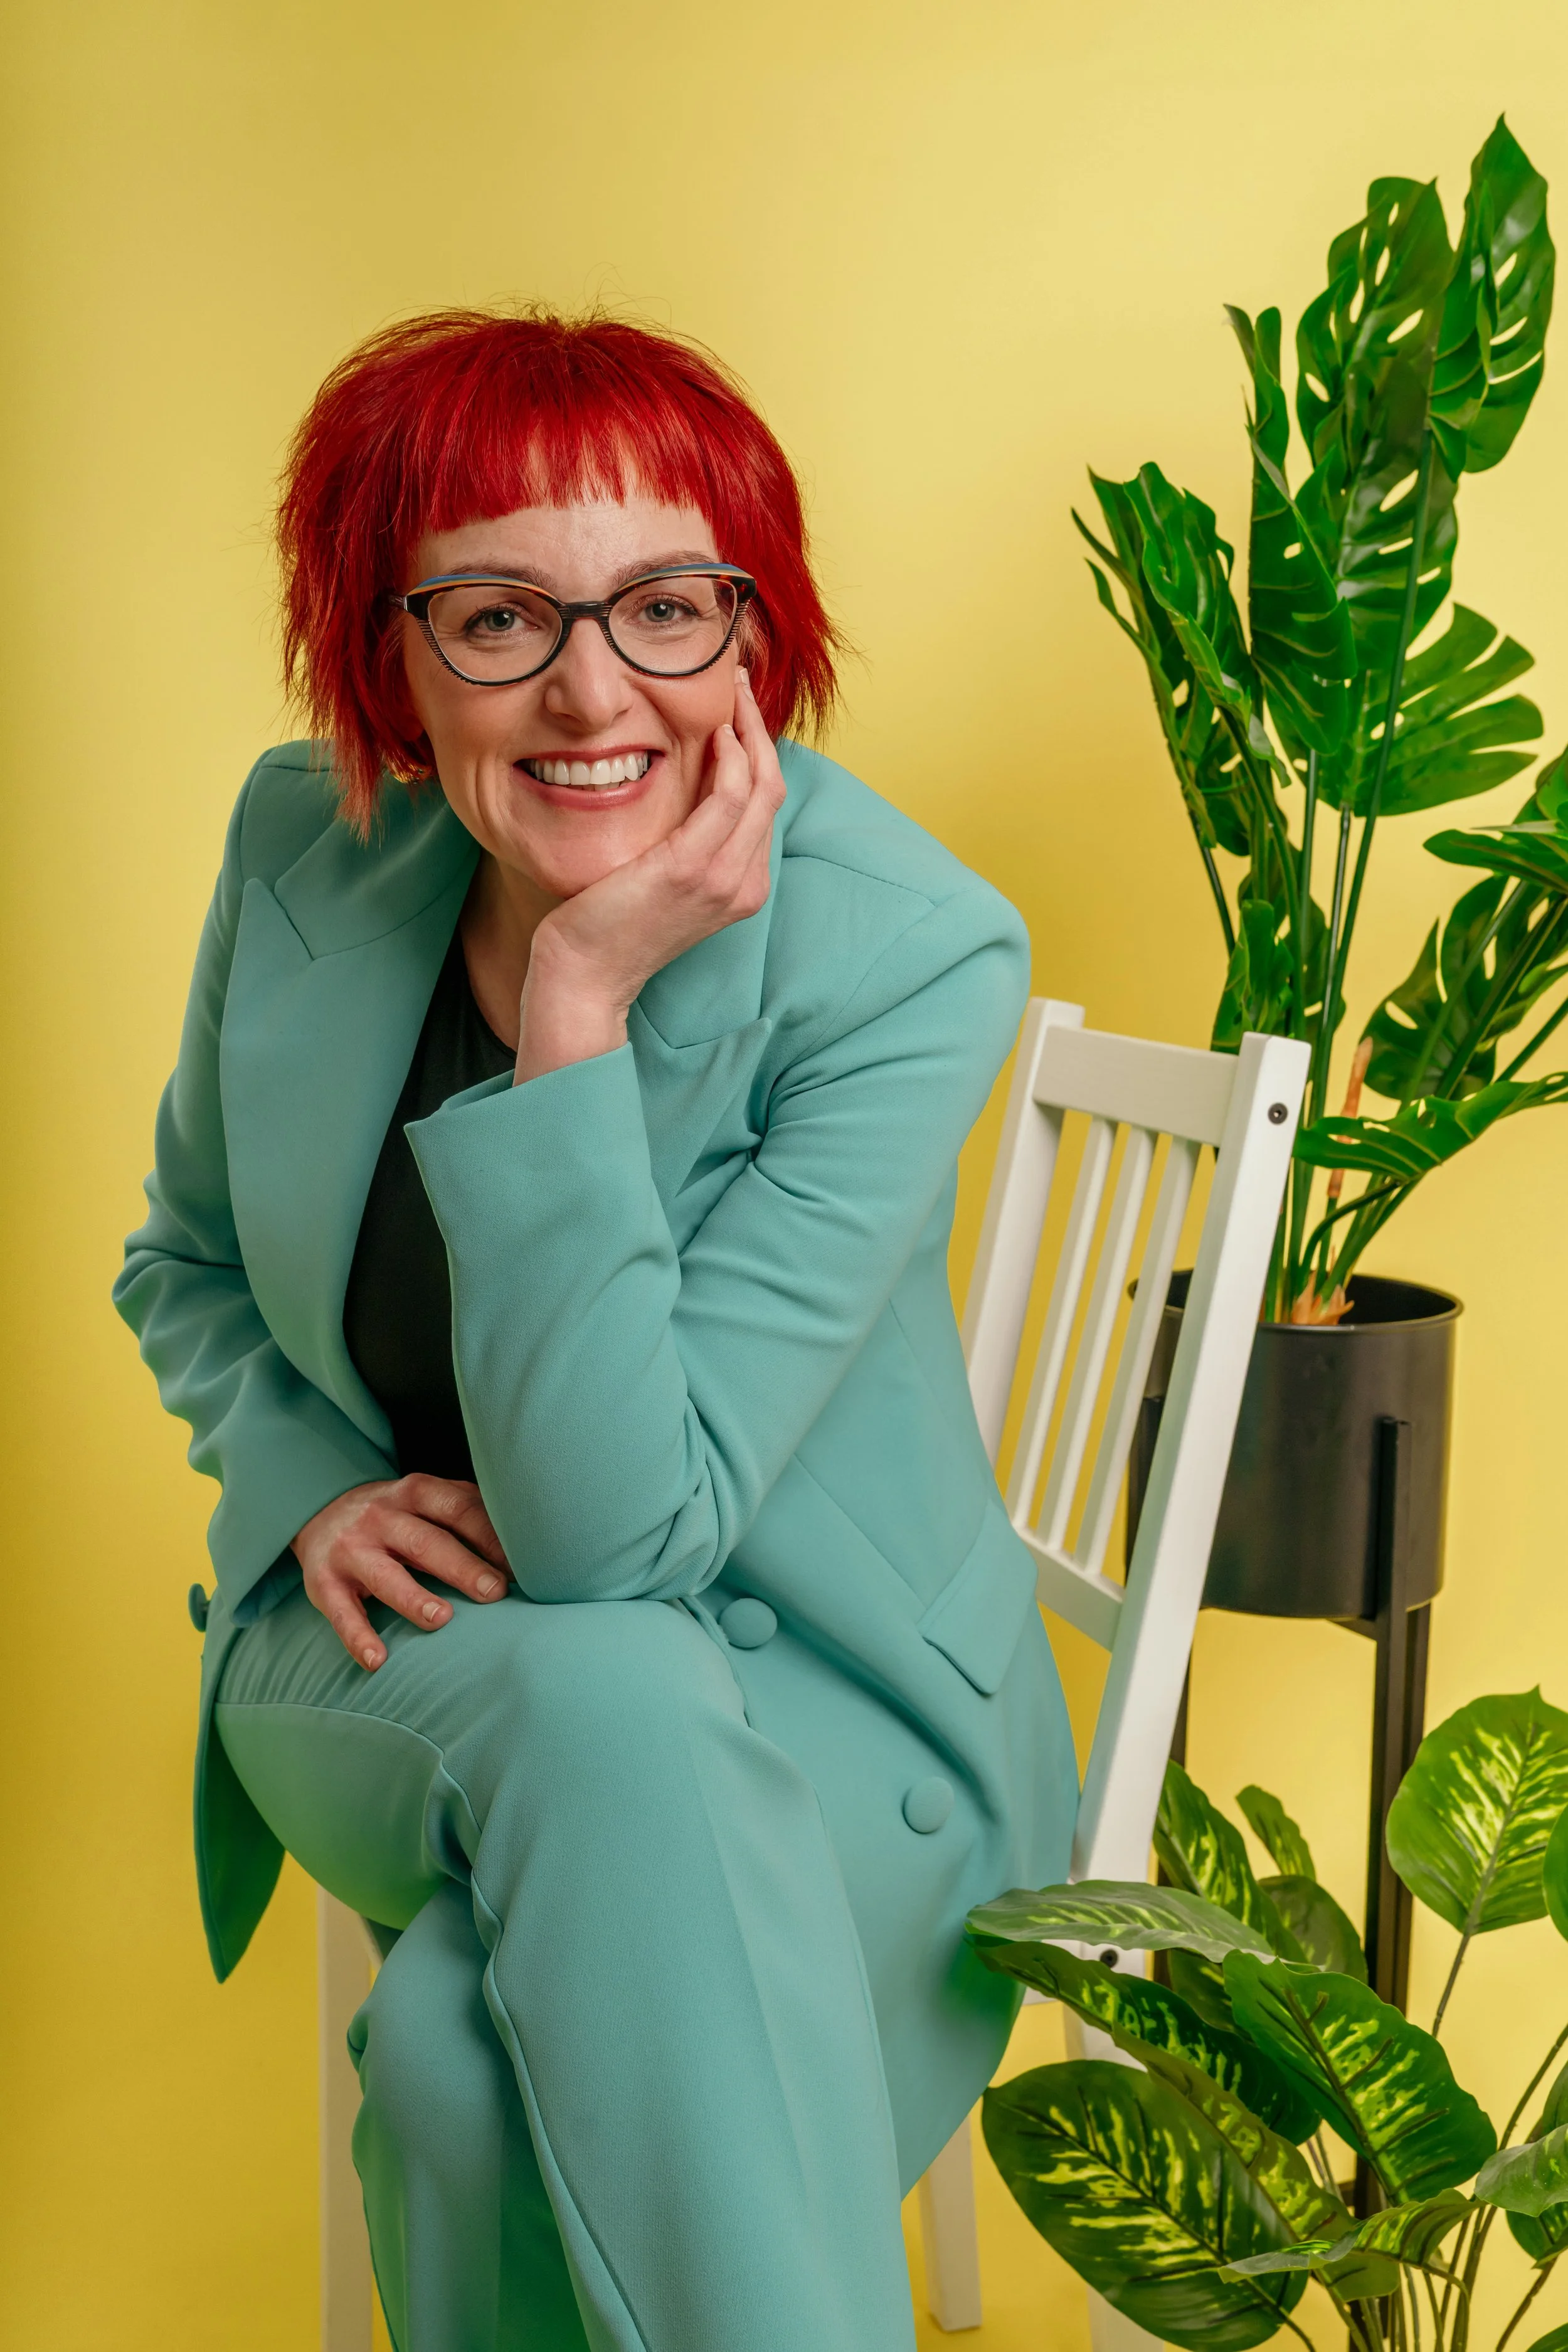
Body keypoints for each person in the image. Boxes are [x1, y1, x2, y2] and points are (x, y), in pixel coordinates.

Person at [115, 309, 1077, 2352]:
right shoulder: (302, 845)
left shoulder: (905, 953)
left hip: (817, 1705)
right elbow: (185, 1262)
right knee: (609, 1694)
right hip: (396, 1649)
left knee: (464, 2074)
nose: (589, 689)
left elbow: (630, 1539)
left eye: (665, 606)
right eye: (494, 615)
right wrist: (302, 1486)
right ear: (383, 649)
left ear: (758, 630)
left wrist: (576, 1012)